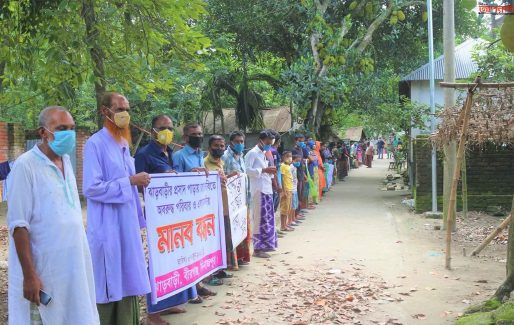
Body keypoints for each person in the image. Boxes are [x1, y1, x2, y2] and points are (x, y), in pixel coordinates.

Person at [8, 107, 99, 324]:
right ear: (43, 132)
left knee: (77, 314)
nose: (69, 134)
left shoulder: (66, 160)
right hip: (43, 269)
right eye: (61, 129)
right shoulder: (25, 166)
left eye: (71, 128)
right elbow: (19, 226)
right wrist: (30, 275)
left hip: (73, 265)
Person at [83, 92, 151, 324]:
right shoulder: (95, 143)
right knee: (109, 279)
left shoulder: (123, 142)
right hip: (107, 226)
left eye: (128, 109)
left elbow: (131, 187)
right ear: (105, 111)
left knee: (128, 277)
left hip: (127, 225)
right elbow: (91, 188)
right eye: (120, 109)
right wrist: (130, 181)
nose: (125, 114)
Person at [134, 115, 198, 324]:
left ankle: (168, 304)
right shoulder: (144, 154)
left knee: (175, 257)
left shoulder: (170, 152)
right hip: (157, 217)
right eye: (163, 128)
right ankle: (151, 314)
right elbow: (139, 184)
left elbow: (177, 178)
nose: (167, 131)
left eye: (170, 128)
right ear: (153, 131)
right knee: (157, 261)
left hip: (175, 215)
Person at [171, 124, 220, 291]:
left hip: (200, 208)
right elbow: (174, 180)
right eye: (194, 134)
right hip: (184, 209)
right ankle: (189, 289)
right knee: (186, 251)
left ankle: (198, 284)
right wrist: (191, 172)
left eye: (200, 133)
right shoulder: (178, 156)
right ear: (185, 137)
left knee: (198, 247)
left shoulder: (200, 155)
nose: (198, 136)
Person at [204, 135, 239, 272]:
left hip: (225, 206)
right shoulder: (205, 163)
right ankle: (214, 271)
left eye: (221, 146)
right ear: (209, 148)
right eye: (216, 146)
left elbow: (221, 182)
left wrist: (230, 176)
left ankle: (223, 267)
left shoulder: (220, 163)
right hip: (212, 208)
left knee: (225, 237)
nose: (219, 149)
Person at [245, 130, 278, 258]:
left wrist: (269, 172)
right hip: (258, 190)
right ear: (261, 140)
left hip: (267, 189)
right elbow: (246, 170)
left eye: (271, 143)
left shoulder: (264, 153)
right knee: (259, 219)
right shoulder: (252, 153)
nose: (269, 145)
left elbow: (264, 172)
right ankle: (257, 249)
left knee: (268, 219)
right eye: (268, 142)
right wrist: (264, 170)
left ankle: (267, 245)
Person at [222, 131, 251, 266]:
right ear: (231, 142)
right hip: (231, 199)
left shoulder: (241, 156)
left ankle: (241, 257)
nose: (240, 144)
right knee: (232, 228)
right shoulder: (226, 157)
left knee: (242, 226)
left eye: (242, 141)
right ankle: (231, 261)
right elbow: (223, 177)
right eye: (237, 141)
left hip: (243, 196)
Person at [279, 151, 294, 232]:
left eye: (291, 156)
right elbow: (281, 178)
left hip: (290, 189)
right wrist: (283, 191)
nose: (290, 158)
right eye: (288, 156)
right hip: (286, 190)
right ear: (284, 157)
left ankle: (285, 224)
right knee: (284, 208)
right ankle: (282, 226)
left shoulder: (288, 166)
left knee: (288, 208)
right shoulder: (282, 166)